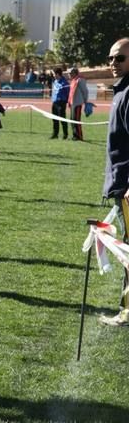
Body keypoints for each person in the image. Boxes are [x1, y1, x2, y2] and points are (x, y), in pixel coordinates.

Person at [100, 37, 129, 326]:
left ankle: (127, 311)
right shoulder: (121, 91)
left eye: (119, 58)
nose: (113, 63)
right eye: (110, 58)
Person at [68, 67, 88, 141]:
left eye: (70, 73)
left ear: (74, 73)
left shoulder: (80, 80)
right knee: (72, 119)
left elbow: (85, 91)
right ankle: (74, 135)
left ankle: (79, 136)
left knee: (76, 120)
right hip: (72, 103)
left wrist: (85, 101)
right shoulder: (73, 80)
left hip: (78, 103)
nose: (69, 75)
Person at [50, 67, 70, 139]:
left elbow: (68, 93)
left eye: (54, 74)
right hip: (55, 103)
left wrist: (66, 101)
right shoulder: (55, 81)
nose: (53, 75)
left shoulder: (65, 82)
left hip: (61, 102)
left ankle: (65, 134)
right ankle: (55, 134)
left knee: (62, 119)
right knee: (54, 119)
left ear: (57, 74)